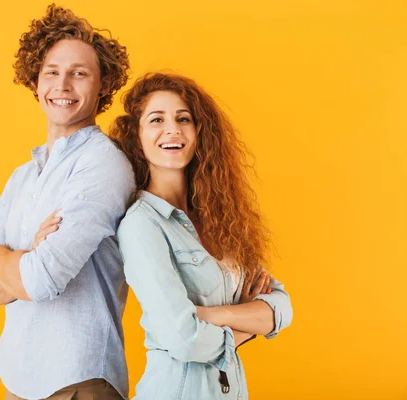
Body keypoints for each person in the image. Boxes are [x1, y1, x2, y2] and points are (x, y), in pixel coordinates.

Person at [0, 5, 134, 399]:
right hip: (17, 380)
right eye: (52, 72)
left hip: (78, 382)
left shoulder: (103, 165)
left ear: (104, 84)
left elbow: (40, 281)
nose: (63, 85)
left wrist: (0, 257)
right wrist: (24, 259)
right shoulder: (24, 175)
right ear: (35, 80)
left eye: (79, 73)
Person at [110, 73, 293, 399]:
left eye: (184, 119)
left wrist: (214, 315)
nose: (173, 129)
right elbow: (185, 339)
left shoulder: (221, 219)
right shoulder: (141, 225)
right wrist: (246, 326)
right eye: (156, 119)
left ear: (199, 133)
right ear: (137, 137)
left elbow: (281, 308)